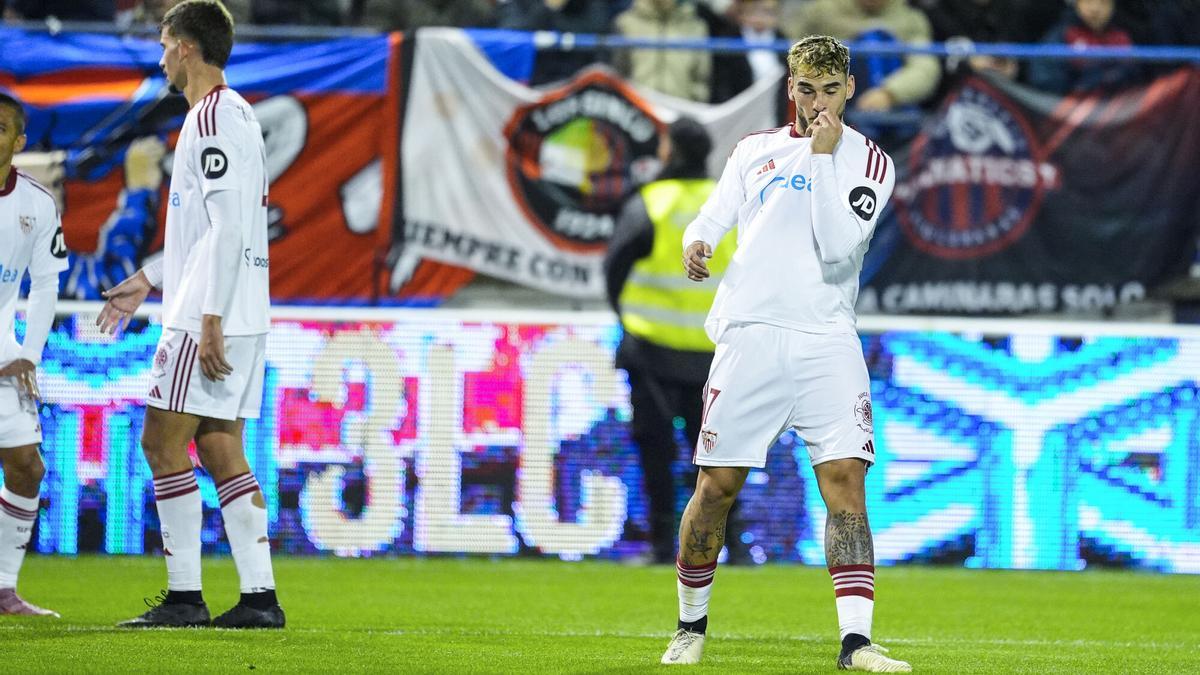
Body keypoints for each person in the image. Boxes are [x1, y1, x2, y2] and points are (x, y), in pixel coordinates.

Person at [659, 35, 909, 672]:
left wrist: (823, 158)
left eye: (830, 90)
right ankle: (690, 628)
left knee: (846, 485)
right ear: (789, 88)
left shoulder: (871, 163)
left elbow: (834, 248)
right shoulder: (754, 151)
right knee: (716, 488)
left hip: (826, 337)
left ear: (850, 88)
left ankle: (856, 643)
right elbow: (714, 216)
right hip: (750, 333)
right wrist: (698, 242)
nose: (818, 103)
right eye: (806, 89)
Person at [97, 0, 282, 629]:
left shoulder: (210, 118)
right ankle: (259, 600)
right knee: (219, 444)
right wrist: (148, 279)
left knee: (161, 441)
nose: (159, 56)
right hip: (239, 306)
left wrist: (208, 318)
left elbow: (227, 229)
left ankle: (184, 597)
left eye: (163, 44)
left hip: (213, 312)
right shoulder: (233, 115)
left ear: (185, 47)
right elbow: (207, 233)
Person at [605, 117, 736, 565]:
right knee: (720, 457)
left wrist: (627, 319)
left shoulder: (651, 202)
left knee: (656, 453)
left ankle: (664, 545)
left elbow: (614, 269)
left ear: (670, 151)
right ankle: (728, 546)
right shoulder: (728, 201)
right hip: (717, 356)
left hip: (652, 349)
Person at [0, 92, 68, 618]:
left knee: (27, 467)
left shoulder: (38, 204)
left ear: (18, 142)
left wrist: (30, 353)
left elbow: (46, 286)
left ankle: (2, 589)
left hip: (5, 353)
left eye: (1, 128)